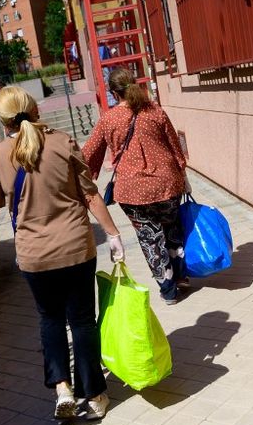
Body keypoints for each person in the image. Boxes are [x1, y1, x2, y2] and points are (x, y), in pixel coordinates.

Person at [0, 86, 124, 420]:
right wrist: (113, 234)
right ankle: (96, 395)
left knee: (50, 319)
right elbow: (90, 195)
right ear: (35, 110)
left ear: (3, 122)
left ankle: (62, 389)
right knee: (82, 320)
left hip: (34, 257)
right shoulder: (62, 142)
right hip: (76, 249)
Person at [82, 67, 191, 305]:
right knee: (172, 229)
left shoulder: (108, 119)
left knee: (150, 238)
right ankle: (181, 275)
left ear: (113, 93)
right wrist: (184, 176)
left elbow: (89, 155)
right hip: (167, 183)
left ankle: (168, 289)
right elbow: (175, 147)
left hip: (132, 192)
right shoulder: (155, 111)